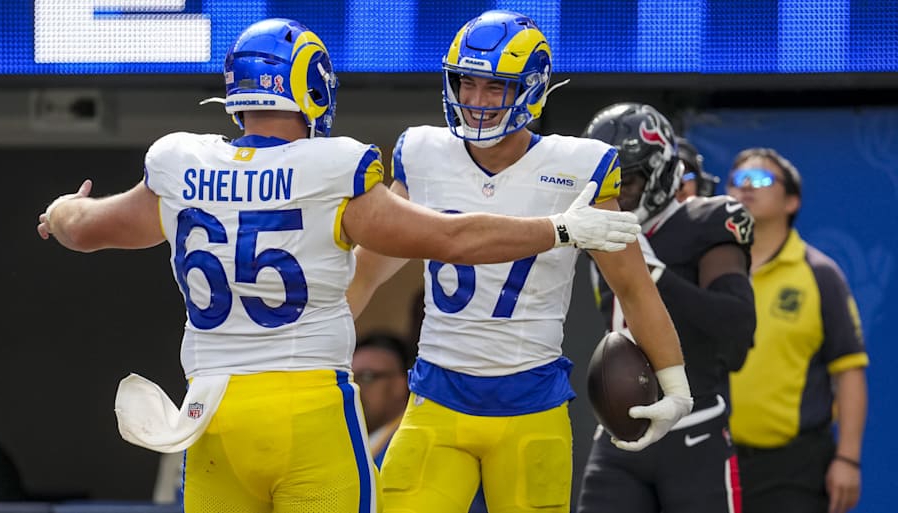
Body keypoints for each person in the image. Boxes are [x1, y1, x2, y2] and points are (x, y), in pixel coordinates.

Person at [34, 18, 643, 513]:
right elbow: (453, 238)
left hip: (212, 411)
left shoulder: (179, 163)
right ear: (311, 88)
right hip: (307, 408)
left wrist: (64, 210)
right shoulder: (334, 170)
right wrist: (559, 227)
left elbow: (85, 230)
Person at [345, 11, 693, 513]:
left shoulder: (578, 167)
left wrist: (677, 385)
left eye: (494, 87)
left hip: (531, 404)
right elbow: (368, 270)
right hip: (437, 399)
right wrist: (315, 359)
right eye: (467, 83)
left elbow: (634, 288)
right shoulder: (422, 153)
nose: (476, 101)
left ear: (532, 90)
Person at [576, 103, 757, 513]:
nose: (614, 193)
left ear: (658, 172)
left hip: (694, 434)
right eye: (606, 181)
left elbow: (737, 325)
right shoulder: (594, 224)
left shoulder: (708, 220)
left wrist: (655, 276)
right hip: (619, 437)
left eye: (627, 180)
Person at [725, 148, 868, 513]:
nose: (746, 188)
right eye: (738, 180)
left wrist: (848, 459)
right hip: (710, 458)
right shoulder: (710, 267)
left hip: (793, 468)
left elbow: (849, 370)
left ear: (791, 201)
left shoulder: (820, 274)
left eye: (760, 179)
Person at [353, 332, 413, 468]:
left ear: (401, 384)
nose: (355, 388)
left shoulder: (412, 447)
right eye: (350, 379)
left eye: (367, 377)